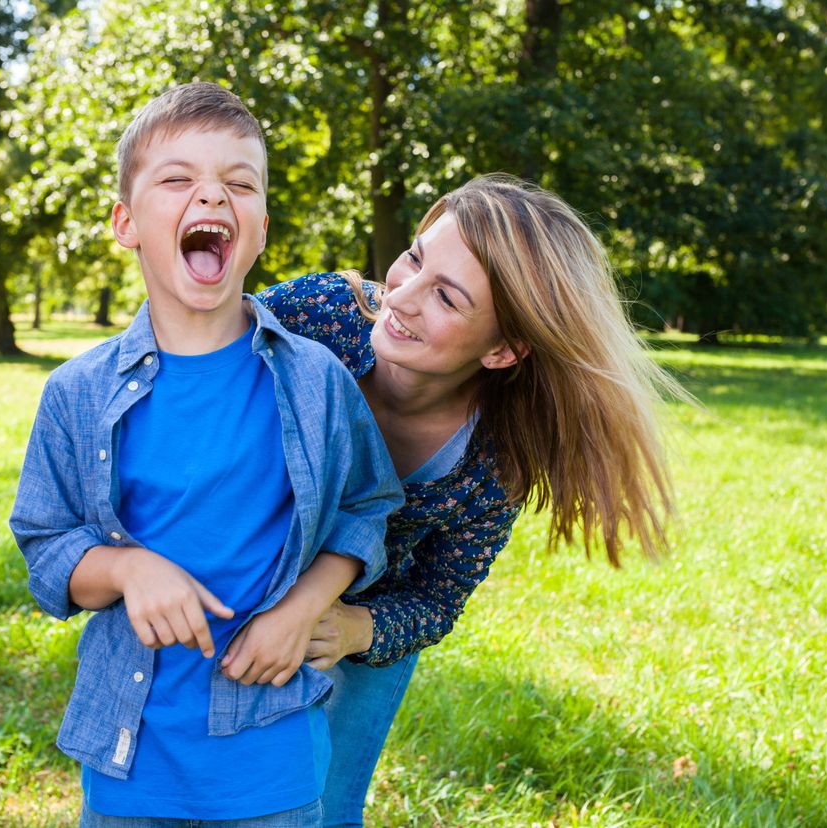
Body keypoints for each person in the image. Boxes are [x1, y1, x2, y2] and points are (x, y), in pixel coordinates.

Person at [9, 81, 403, 828]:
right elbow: (47, 547)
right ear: (125, 223)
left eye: (239, 183)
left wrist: (306, 604)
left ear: (257, 227)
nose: (212, 197)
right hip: (132, 759)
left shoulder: (315, 380)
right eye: (179, 179)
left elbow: (366, 509)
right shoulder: (77, 393)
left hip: (273, 756)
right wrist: (128, 568)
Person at [250, 174, 683, 827]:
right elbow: (187, 363)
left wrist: (354, 630)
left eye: (448, 297)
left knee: (327, 806)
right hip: (244, 574)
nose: (403, 295)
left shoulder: (494, 460)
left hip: (362, 614)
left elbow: (438, 598)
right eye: (416, 258)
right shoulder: (320, 315)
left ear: (503, 349)